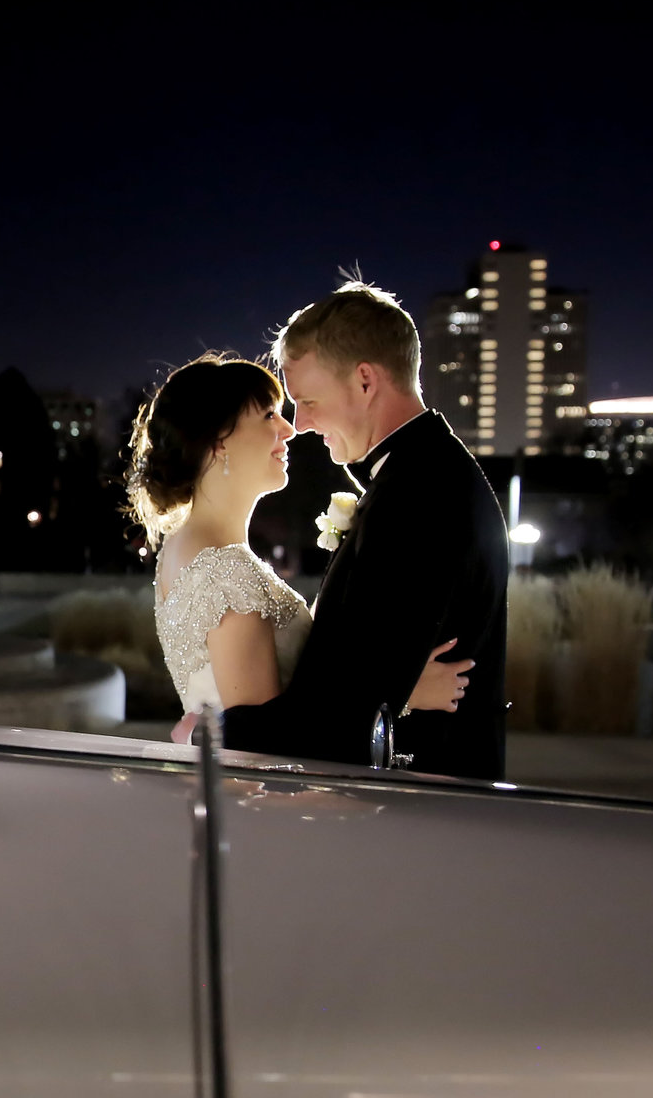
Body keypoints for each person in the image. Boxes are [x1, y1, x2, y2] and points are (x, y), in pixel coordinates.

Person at [218, 282, 509, 780]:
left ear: (366, 380)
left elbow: (347, 710)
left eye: (307, 400)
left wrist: (215, 735)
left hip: (420, 806)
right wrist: (397, 686)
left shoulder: (420, 496)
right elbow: (367, 679)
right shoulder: (424, 474)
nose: (301, 423)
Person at [126, 351, 470, 749]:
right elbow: (265, 741)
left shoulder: (182, 548)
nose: (289, 429)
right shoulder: (226, 574)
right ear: (219, 440)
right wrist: (401, 691)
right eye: (269, 415)